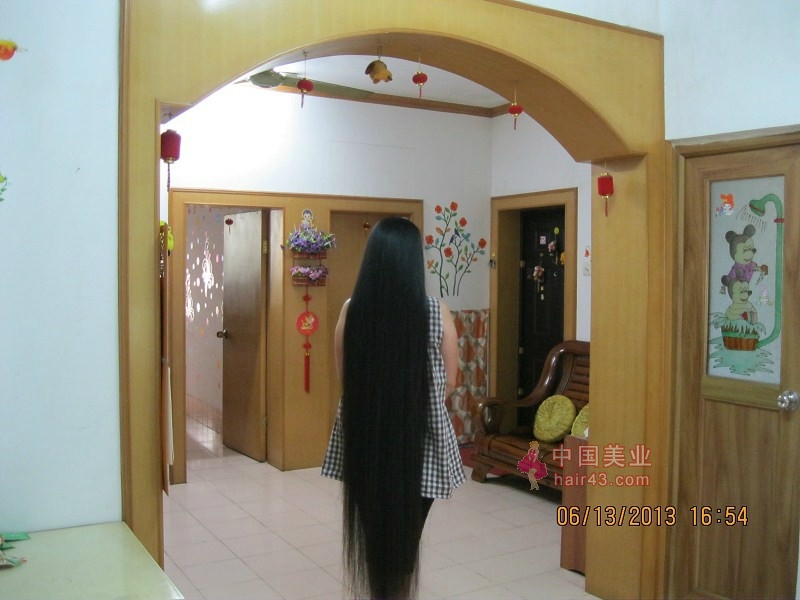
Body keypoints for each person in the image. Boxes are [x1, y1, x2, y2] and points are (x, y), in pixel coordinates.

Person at [321, 216, 465, 599]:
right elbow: (451, 381)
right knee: (405, 540)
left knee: (375, 540)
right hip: (421, 447)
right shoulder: (437, 311)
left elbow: (346, 378)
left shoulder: (352, 310)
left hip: (366, 439)